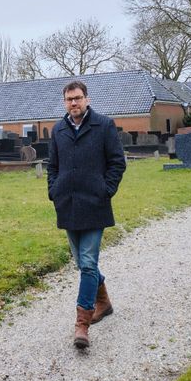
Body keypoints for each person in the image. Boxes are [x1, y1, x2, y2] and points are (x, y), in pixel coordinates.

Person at [47, 80, 126, 349]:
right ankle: (103, 301)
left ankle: (82, 324)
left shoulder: (104, 126)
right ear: (64, 102)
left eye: (78, 98)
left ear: (87, 99)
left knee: (89, 263)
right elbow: (53, 167)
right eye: (69, 99)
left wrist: (105, 190)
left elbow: (117, 162)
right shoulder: (58, 130)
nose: (74, 103)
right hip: (67, 205)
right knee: (82, 263)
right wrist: (53, 191)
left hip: (94, 205)